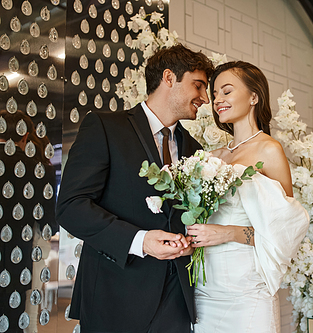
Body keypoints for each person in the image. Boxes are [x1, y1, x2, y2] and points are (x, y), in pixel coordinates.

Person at [56, 44, 214, 333]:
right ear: (169, 78)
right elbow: (71, 207)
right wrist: (140, 240)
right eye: (199, 85)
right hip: (113, 296)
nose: (204, 98)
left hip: (176, 301)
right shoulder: (104, 127)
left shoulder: (196, 149)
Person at [186, 61, 310, 333]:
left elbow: (285, 232)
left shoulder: (269, 149)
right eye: (215, 93)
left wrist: (228, 233)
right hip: (205, 288)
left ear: (254, 96)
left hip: (246, 290)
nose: (218, 100)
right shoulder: (213, 156)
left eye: (226, 91)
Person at [0, 110, 56, 331]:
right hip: (18, 257)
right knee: (16, 316)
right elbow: (49, 224)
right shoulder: (39, 169)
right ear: (25, 137)